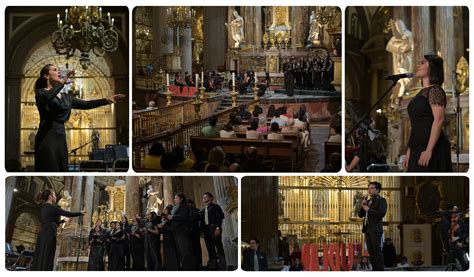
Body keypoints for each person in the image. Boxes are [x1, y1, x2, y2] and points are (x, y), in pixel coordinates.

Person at [33, 64, 125, 171]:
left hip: (61, 136)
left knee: (62, 167)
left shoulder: (66, 97)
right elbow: (48, 97)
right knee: (49, 166)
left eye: (58, 70)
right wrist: (62, 83)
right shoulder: (41, 93)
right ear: (46, 76)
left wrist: (105, 100)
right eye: (55, 70)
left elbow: (85, 104)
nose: (58, 72)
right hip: (47, 136)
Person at [404, 54, 452, 172]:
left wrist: (429, 150)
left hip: (432, 147)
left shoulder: (435, 90)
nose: (418, 65)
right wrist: (409, 150)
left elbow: (438, 120)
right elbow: (415, 125)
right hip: (417, 146)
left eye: (422, 63)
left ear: (432, 67)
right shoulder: (420, 93)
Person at [31, 189, 84, 270]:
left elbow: (52, 222)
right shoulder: (53, 207)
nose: (56, 197)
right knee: (48, 256)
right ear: (50, 197)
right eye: (54, 195)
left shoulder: (44, 207)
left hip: (43, 234)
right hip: (49, 234)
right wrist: (80, 213)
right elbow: (68, 214)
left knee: (42, 255)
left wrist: (63, 221)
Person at [358, 181, 387, 271]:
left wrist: (369, 209)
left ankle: (380, 269)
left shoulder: (382, 200)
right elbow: (360, 215)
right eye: (369, 188)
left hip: (375, 229)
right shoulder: (368, 201)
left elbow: (382, 213)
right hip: (367, 229)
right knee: (370, 251)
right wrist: (362, 206)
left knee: (376, 250)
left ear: (378, 190)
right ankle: (375, 268)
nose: (369, 190)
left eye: (372, 188)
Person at [167, 193, 195, 270]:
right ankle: (184, 267)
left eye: (176, 198)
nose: (174, 199)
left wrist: (173, 217)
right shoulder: (175, 208)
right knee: (180, 251)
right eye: (174, 198)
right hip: (176, 231)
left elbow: (184, 216)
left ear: (181, 199)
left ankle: (189, 269)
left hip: (182, 230)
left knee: (185, 250)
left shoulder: (184, 206)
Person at [201, 192, 227, 270]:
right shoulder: (203, 210)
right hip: (206, 230)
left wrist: (218, 228)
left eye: (206, 197)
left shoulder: (215, 207)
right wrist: (202, 231)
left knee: (218, 246)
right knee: (210, 247)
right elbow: (202, 222)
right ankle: (213, 265)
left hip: (214, 228)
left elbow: (220, 217)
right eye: (203, 197)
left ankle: (223, 265)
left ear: (211, 198)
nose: (204, 198)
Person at [159, 205, 180, 270]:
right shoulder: (164, 218)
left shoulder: (171, 217)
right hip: (165, 237)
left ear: (169, 210)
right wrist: (160, 227)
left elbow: (172, 228)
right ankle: (167, 267)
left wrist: (163, 226)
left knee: (172, 252)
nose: (164, 211)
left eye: (165, 210)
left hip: (170, 237)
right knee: (166, 252)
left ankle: (174, 267)